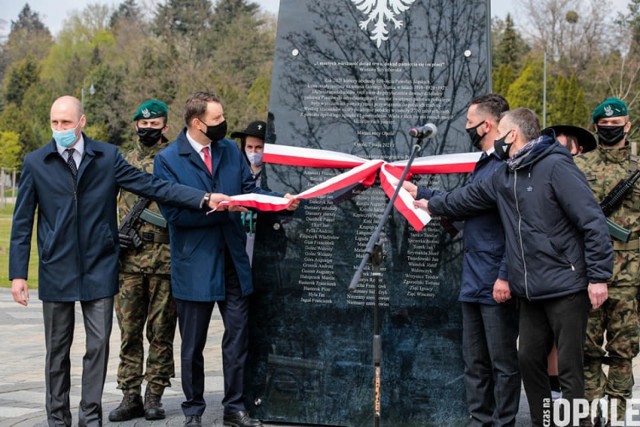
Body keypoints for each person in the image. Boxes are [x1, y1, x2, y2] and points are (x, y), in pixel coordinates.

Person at [8, 95, 224, 427]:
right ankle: (57, 420)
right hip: (56, 270)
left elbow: (154, 185)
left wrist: (203, 198)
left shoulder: (107, 157)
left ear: (81, 123)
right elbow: (22, 223)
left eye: (66, 123)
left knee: (98, 350)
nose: (60, 129)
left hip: (99, 269)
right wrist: (18, 274)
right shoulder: (36, 162)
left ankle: (90, 418)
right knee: (57, 354)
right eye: (54, 123)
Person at [416, 108, 613, 427]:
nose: (495, 141)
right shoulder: (505, 174)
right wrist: (428, 199)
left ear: (512, 136)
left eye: (501, 133)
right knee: (528, 359)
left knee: (568, 368)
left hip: (566, 284)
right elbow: (467, 198)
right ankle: (544, 421)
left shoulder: (556, 166)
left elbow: (592, 222)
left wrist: (599, 276)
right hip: (530, 288)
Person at [153, 92, 299, 427]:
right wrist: (219, 207)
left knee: (238, 336)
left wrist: (281, 201)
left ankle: (235, 407)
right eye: (217, 119)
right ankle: (193, 410)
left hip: (233, 261)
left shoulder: (230, 151)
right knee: (193, 345)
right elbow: (175, 215)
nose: (223, 124)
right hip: (196, 263)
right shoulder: (168, 160)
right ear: (197, 123)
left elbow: (250, 189)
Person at [405, 94, 521, 426]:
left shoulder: (504, 166)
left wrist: (505, 275)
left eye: (470, 124)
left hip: (495, 280)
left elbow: (512, 228)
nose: (467, 129)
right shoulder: (484, 164)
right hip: (472, 279)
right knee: (474, 362)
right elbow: (467, 210)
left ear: (487, 125)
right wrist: (426, 199)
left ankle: (503, 422)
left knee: (502, 363)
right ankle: (480, 419)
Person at [108, 99, 177, 421]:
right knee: (128, 333)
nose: (149, 129)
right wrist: (113, 235)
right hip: (129, 262)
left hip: (165, 260)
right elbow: (104, 205)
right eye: (144, 124)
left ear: (165, 126)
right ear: (135, 125)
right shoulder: (122, 162)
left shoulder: (176, 160)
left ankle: (154, 396)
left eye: (155, 124)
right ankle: (129, 395)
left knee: (161, 333)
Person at [573, 97, 640, 424]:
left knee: (623, 353)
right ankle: (592, 414)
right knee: (586, 351)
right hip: (588, 276)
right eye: (605, 126)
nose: (610, 130)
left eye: (617, 126)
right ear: (595, 126)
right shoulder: (579, 166)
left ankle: (616, 415)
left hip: (630, 279)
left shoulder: (637, 170)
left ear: (628, 126)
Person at [541, 124, 596, 401]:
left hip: (592, 272)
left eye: (565, 149)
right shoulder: (547, 175)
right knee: (552, 342)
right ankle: (557, 400)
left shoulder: (586, 176)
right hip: (556, 273)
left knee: (586, 346)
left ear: (579, 150)